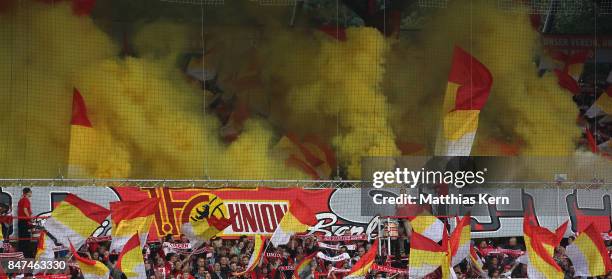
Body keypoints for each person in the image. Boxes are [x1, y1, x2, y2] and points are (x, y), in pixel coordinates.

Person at [17, 188, 33, 258]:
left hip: (20, 221)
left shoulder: (20, 200)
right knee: (26, 238)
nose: (31, 193)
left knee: (22, 238)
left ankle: (21, 253)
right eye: (30, 192)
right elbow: (25, 209)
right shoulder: (26, 200)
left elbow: (20, 209)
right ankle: (27, 254)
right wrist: (29, 217)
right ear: (28, 193)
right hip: (25, 221)